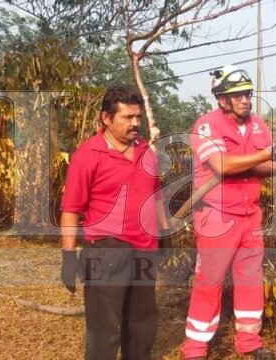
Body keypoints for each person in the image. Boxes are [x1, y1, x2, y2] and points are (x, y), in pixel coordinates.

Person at [181, 65, 276, 360]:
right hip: (216, 216)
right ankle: (195, 348)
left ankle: (249, 343)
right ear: (222, 99)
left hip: (251, 215)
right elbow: (222, 166)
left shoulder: (259, 125)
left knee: (250, 280)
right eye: (237, 96)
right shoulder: (207, 125)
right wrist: (265, 155)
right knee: (209, 281)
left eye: (247, 94)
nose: (245, 100)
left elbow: (270, 168)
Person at [60, 85, 166, 360]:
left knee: (142, 324)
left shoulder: (145, 150)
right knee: (105, 329)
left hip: (144, 249)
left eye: (138, 117)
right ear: (106, 118)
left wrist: (164, 233)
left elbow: (155, 194)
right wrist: (68, 257)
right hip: (106, 248)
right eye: (127, 117)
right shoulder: (88, 154)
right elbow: (71, 209)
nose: (135, 124)